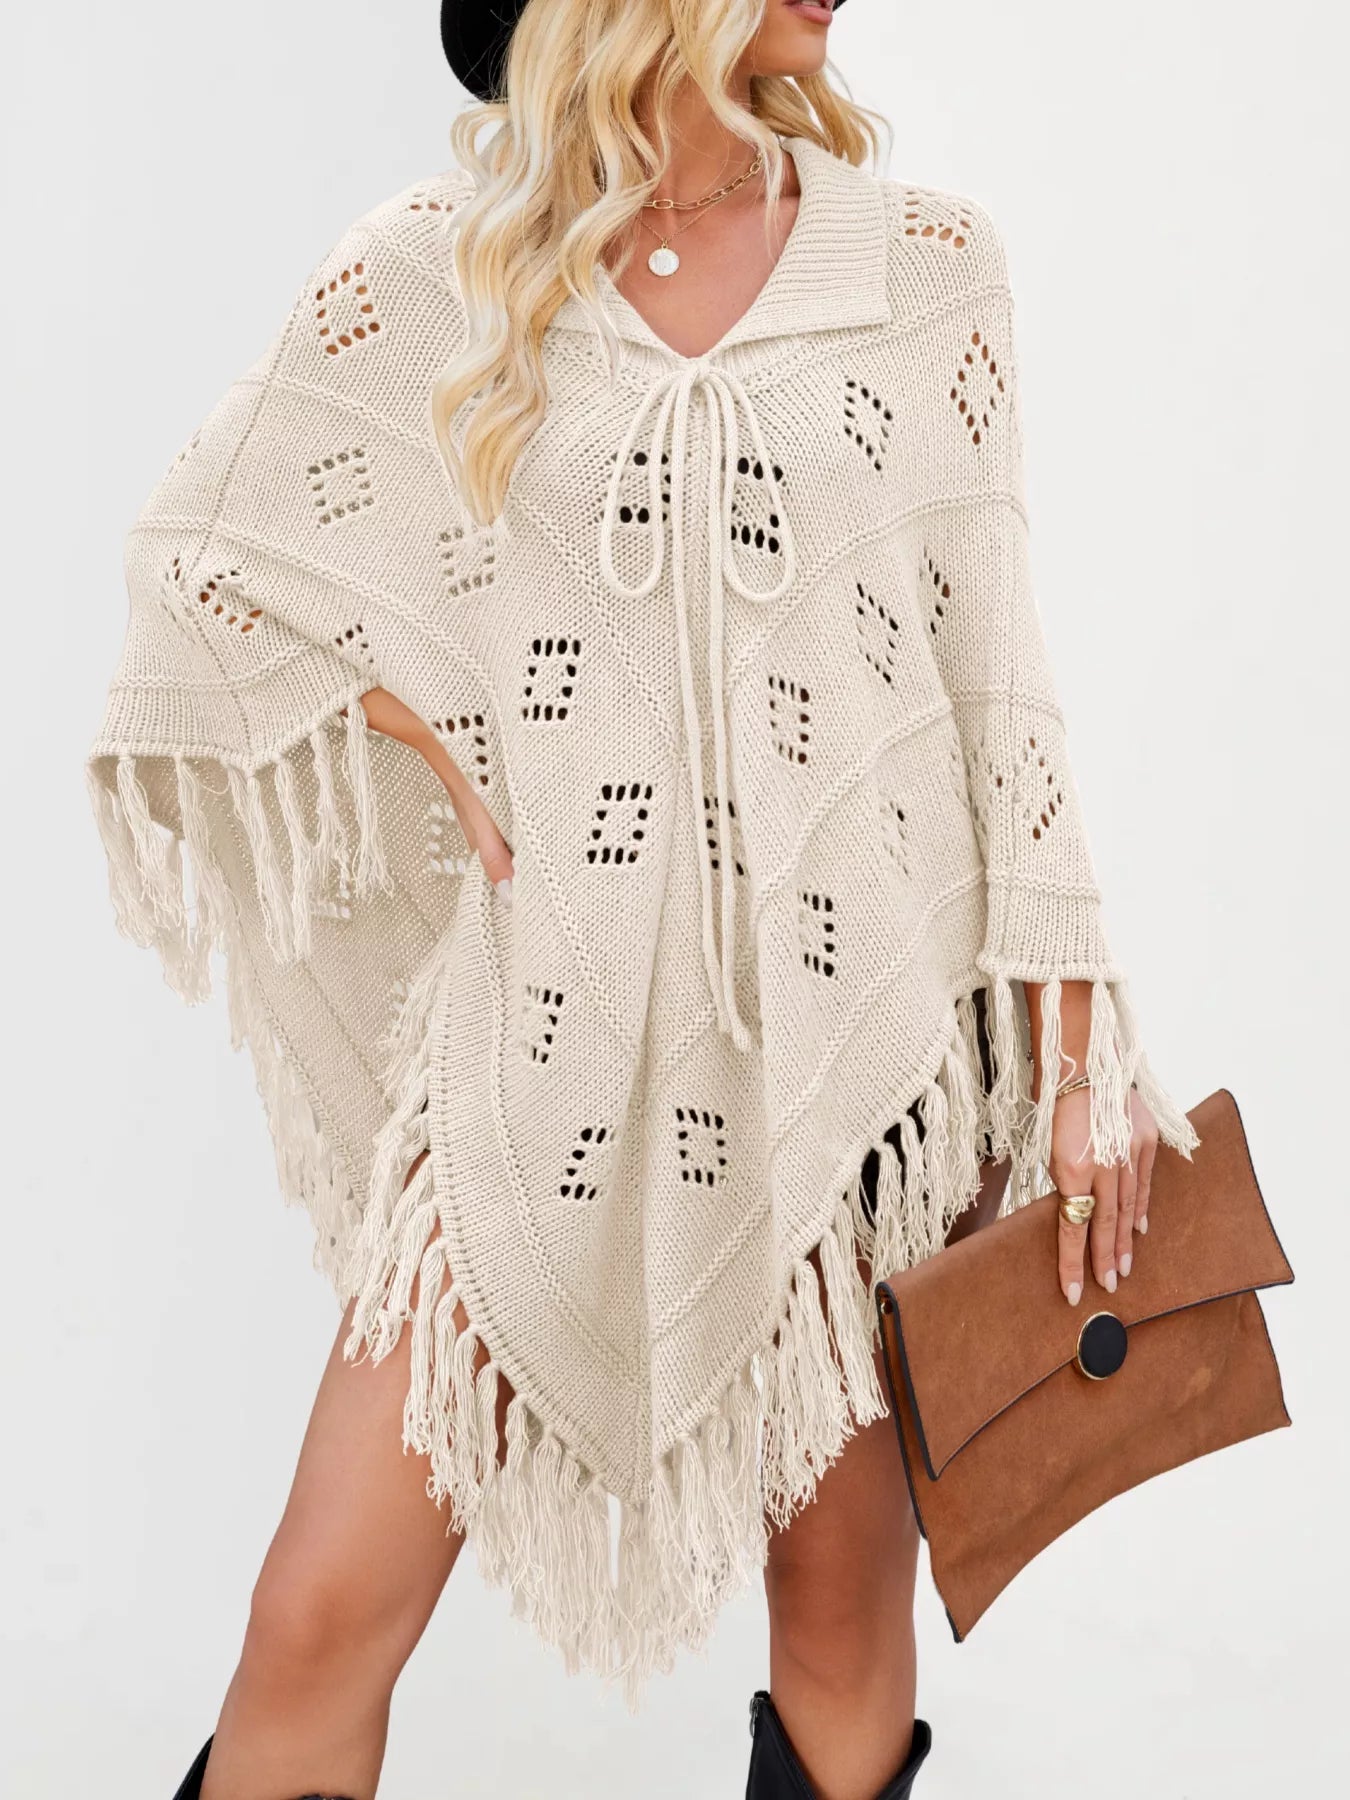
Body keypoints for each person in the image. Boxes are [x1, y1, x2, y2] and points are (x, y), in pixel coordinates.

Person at [85, 4, 1199, 1797]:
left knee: (836, 1630)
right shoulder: (443, 275)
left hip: (850, 1073)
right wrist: (412, 720)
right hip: (534, 1058)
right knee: (316, 1619)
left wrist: (1075, 1057)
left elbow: (999, 690)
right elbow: (204, 575)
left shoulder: (925, 269)